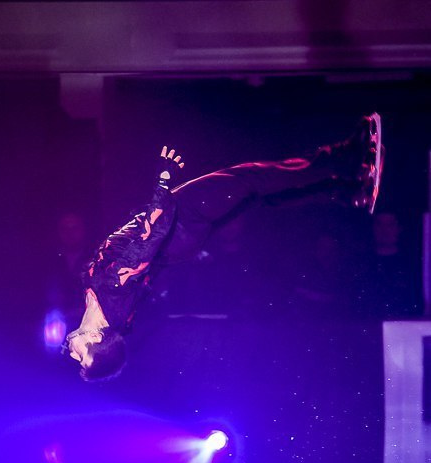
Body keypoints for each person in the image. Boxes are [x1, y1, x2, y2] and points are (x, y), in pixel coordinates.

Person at [64, 113, 383, 381]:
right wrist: (163, 180)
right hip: (180, 220)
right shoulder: (112, 292)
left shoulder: (110, 313)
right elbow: (151, 237)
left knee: (259, 195)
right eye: (83, 359)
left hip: (181, 238)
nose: (75, 357)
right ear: (94, 338)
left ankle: (350, 192)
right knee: (253, 179)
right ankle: (349, 152)